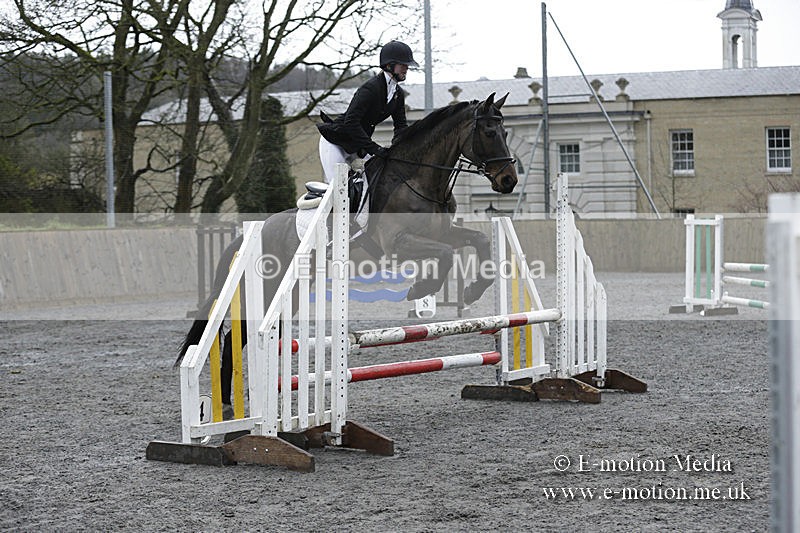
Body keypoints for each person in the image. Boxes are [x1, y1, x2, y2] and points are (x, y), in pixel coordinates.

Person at [317, 40, 418, 185]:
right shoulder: (370, 89)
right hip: (336, 143)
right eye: (403, 64)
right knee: (339, 189)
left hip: (358, 147)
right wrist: (375, 148)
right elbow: (351, 122)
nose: (406, 68)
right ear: (389, 65)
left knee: (376, 182)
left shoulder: (398, 94)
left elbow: (401, 127)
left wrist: (403, 149)